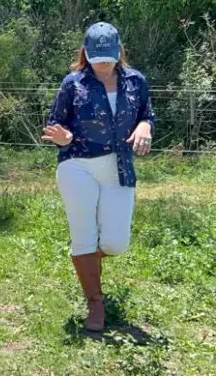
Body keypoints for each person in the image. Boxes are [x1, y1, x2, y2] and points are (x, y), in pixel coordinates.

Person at [43, 22, 154, 332]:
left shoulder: (136, 81)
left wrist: (145, 127)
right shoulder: (72, 83)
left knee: (116, 243)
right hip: (76, 164)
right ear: (86, 54)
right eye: (96, 58)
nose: (102, 64)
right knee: (84, 234)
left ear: (119, 51)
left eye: (107, 57)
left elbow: (147, 114)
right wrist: (62, 137)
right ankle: (95, 303)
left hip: (118, 166)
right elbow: (55, 123)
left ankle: (85, 259)